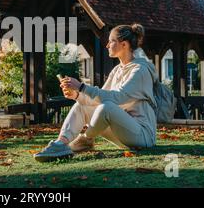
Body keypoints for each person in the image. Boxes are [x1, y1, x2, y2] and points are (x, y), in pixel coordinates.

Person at [34, 24, 158, 162]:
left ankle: (86, 140)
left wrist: (81, 87)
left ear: (124, 44)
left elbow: (116, 98)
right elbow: (100, 99)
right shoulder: (117, 70)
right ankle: (60, 143)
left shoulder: (140, 70)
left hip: (143, 136)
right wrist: (77, 95)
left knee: (107, 107)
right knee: (81, 106)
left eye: (111, 41)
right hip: (123, 136)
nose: (107, 45)